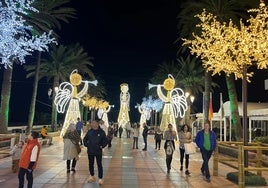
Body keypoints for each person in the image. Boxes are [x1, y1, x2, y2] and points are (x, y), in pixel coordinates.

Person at [83, 120, 108, 186]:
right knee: (91, 164)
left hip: (98, 151)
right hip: (90, 151)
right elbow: (85, 139)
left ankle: (100, 178)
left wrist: (101, 146)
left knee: (99, 164)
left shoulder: (101, 132)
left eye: (95, 123)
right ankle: (92, 176)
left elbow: (105, 141)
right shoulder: (89, 131)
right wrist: (87, 144)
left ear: (98, 124)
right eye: (92, 123)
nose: (93, 124)